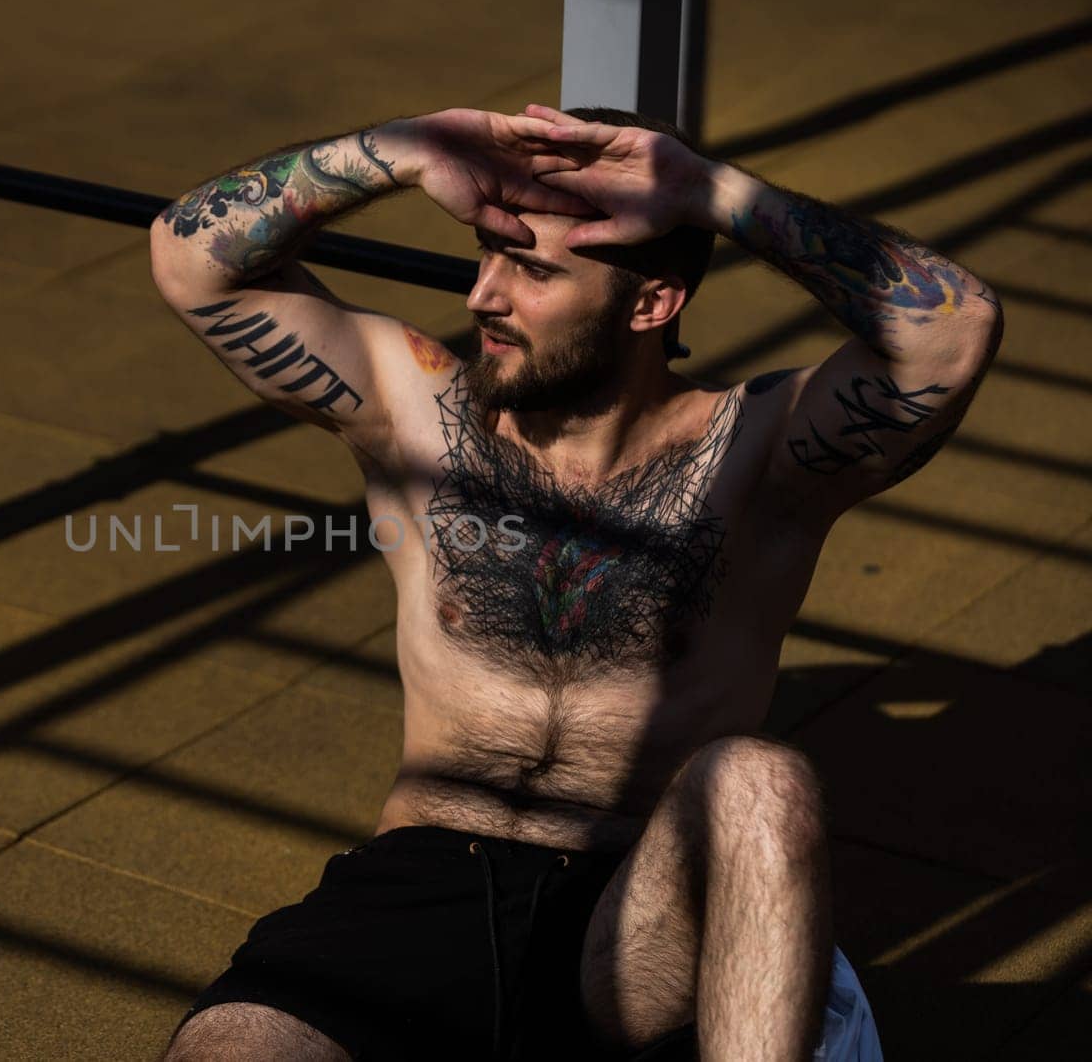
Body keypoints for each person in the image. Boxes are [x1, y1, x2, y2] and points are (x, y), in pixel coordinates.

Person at [148, 105, 1003, 1061]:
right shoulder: (418, 409)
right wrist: (404, 151)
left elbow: (951, 333)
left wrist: (712, 194)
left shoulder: (757, 453)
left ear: (651, 304)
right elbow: (192, 258)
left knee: (764, 784)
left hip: (634, 911)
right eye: (486, 254)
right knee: (233, 1049)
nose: (482, 295)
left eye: (535, 270)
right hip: (423, 884)